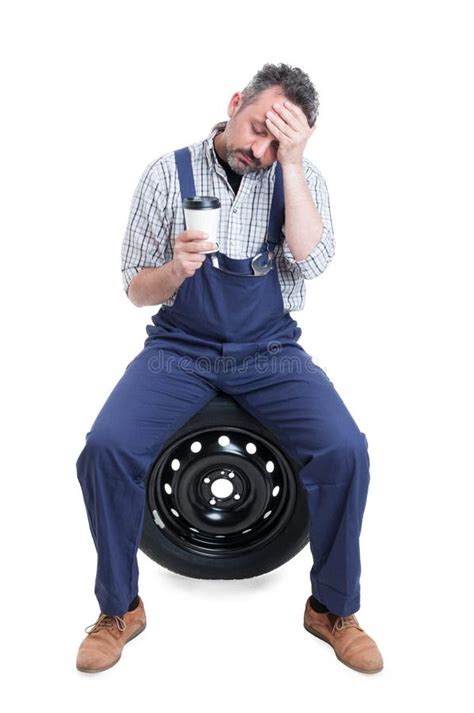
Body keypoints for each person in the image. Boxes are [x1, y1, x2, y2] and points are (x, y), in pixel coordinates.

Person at [75, 62, 384, 675]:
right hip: (179, 351)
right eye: (256, 129)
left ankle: (332, 609)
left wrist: (293, 165)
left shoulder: (295, 176)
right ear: (236, 101)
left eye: (280, 140)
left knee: (345, 450)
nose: (260, 150)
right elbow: (137, 289)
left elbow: (313, 259)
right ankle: (118, 610)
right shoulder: (168, 173)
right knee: (106, 449)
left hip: (271, 352)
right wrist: (175, 271)